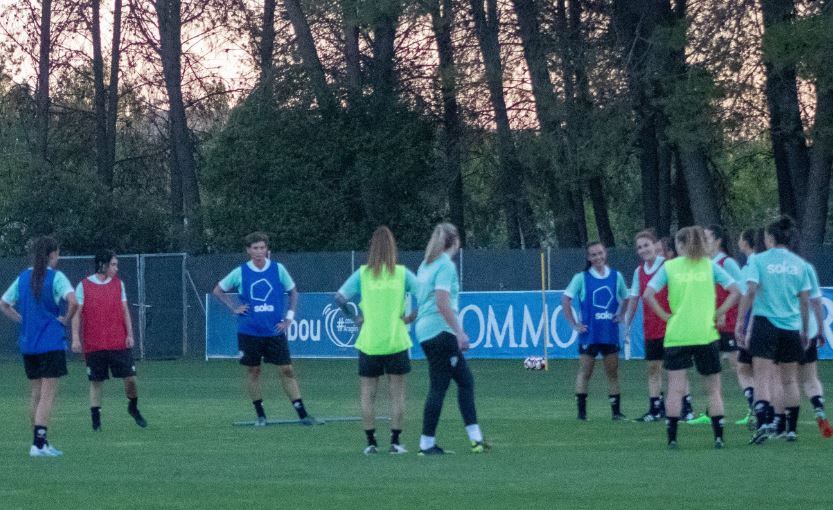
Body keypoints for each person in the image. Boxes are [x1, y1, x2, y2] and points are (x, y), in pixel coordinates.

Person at [644, 226, 740, 449]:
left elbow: (648, 293)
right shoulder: (710, 266)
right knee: (713, 388)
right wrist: (718, 312)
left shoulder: (670, 267)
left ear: (680, 245)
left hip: (677, 334)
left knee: (676, 388)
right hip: (705, 333)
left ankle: (672, 438)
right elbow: (736, 290)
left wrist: (665, 315)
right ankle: (718, 437)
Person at [213, 232, 319, 426]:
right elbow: (218, 290)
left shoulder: (278, 269)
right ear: (248, 251)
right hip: (249, 331)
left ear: (267, 250)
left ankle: (302, 414)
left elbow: (293, 292)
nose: (259, 252)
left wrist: (289, 318)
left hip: (274, 331)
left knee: (287, 370)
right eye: (255, 248)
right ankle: (261, 415)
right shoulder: (241, 271)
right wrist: (234, 307)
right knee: (253, 371)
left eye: (262, 248)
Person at [335, 226, 418, 454]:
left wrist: (356, 318)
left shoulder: (363, 273)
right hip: (396, 340)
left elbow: (339, 298)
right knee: (397, 394)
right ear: (393, 248)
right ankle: (395, 441)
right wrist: (413, 315)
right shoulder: (401, 273)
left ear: (372, 248)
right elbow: (425, 292)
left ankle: (371, 442)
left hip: (370, 341)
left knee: (367, 394)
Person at [0, 236, 78, 457]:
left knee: (35, 393)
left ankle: (38, 442)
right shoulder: (56, 277)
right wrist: (65, 319)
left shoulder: (23, 277)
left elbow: (4, 304)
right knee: (47, 395)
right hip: (50, 343)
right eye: (58, 254)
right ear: (52, 254)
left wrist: (22, 320)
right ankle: (39, 444)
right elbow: (73, 301)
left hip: (29, 345)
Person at [735, 216, 811, 444]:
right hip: (790, 326)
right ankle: (791, 430)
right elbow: (805, 301)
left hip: (765, 323)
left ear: (769, 238)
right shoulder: (800, 265)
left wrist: (740, 321)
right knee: (789, 381)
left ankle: (763, 425)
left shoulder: (759, 261)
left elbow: (750, 292)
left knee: (762, 378)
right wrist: (805, 330)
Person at [415, 223, 488, 455]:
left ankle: (476, 440)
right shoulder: (445, 266)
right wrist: (460, 332)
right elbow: (442, 302)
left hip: (425, 331)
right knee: (439, 386)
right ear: (454, 241)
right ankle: (426, 443)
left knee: (465, 381)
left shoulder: (425, 265)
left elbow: (423, 301)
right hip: (441, 331)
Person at [71, 250, 146, 431]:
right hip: (94, 344)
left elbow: (124, 310)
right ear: (103, 265)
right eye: (113, 264)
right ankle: (96, 421)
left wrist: (130, 334)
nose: (116, 268)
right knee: (96, 382)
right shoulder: (84, 285)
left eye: (116, 264)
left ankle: (133, 407)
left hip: (118, 342)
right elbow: (77, 314)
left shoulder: (119, 284)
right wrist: (75, 338)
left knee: (131, 379)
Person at [563, 241, 629, 421]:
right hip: (589, 334)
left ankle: (616, 413)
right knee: (585, 372)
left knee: (613, 372)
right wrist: (574, 324)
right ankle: (582, 414)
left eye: (600, 253)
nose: (597, 257)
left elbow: (627, 297)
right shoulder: (581, 278)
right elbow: (566, 300)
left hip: (609, 332)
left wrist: (620, 315)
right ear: (588, 258)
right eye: (593, 255)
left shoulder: (616, 276)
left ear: (605, 253)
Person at [704, 225, 750, 425]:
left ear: (717, 240)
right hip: (710, 324)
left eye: (706, 237)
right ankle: (711, 411)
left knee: (739, 367)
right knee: (711, 368)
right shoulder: (705, 263)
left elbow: (741, 291)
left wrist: (723, 312)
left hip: (728, 324)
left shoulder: (727, 262)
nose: (703, 241)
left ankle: (754, 409)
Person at [624, 230, 671, 422]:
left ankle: (685, 408)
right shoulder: (639, 271)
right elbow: (634, 298)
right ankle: (655, 409)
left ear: (655, 246)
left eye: (647, 245)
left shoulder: (668, 266)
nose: (644, 250)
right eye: (640, 247)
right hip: (651, 326)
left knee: (674, 368)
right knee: (653, 368)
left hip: (670, 325)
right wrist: (627, 325)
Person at [733, 228, 764, 428]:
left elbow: (749, 294)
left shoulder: (752, 265)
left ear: (746, 242)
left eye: (740, 238)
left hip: (754, 322)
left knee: (745, 368)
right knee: (753, 368)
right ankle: (765, 412)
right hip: (766, 322)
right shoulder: (759, 262)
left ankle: (759, 409)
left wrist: (741, 323)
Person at [799, 260, 833, 438]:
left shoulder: (767, 265)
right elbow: (817, 302)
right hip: (809, 331)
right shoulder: (806, 268)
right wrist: (820, 329)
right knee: (810, 378)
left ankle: (786, 427)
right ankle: (819, 408)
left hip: (784, 328)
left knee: (785, 380)